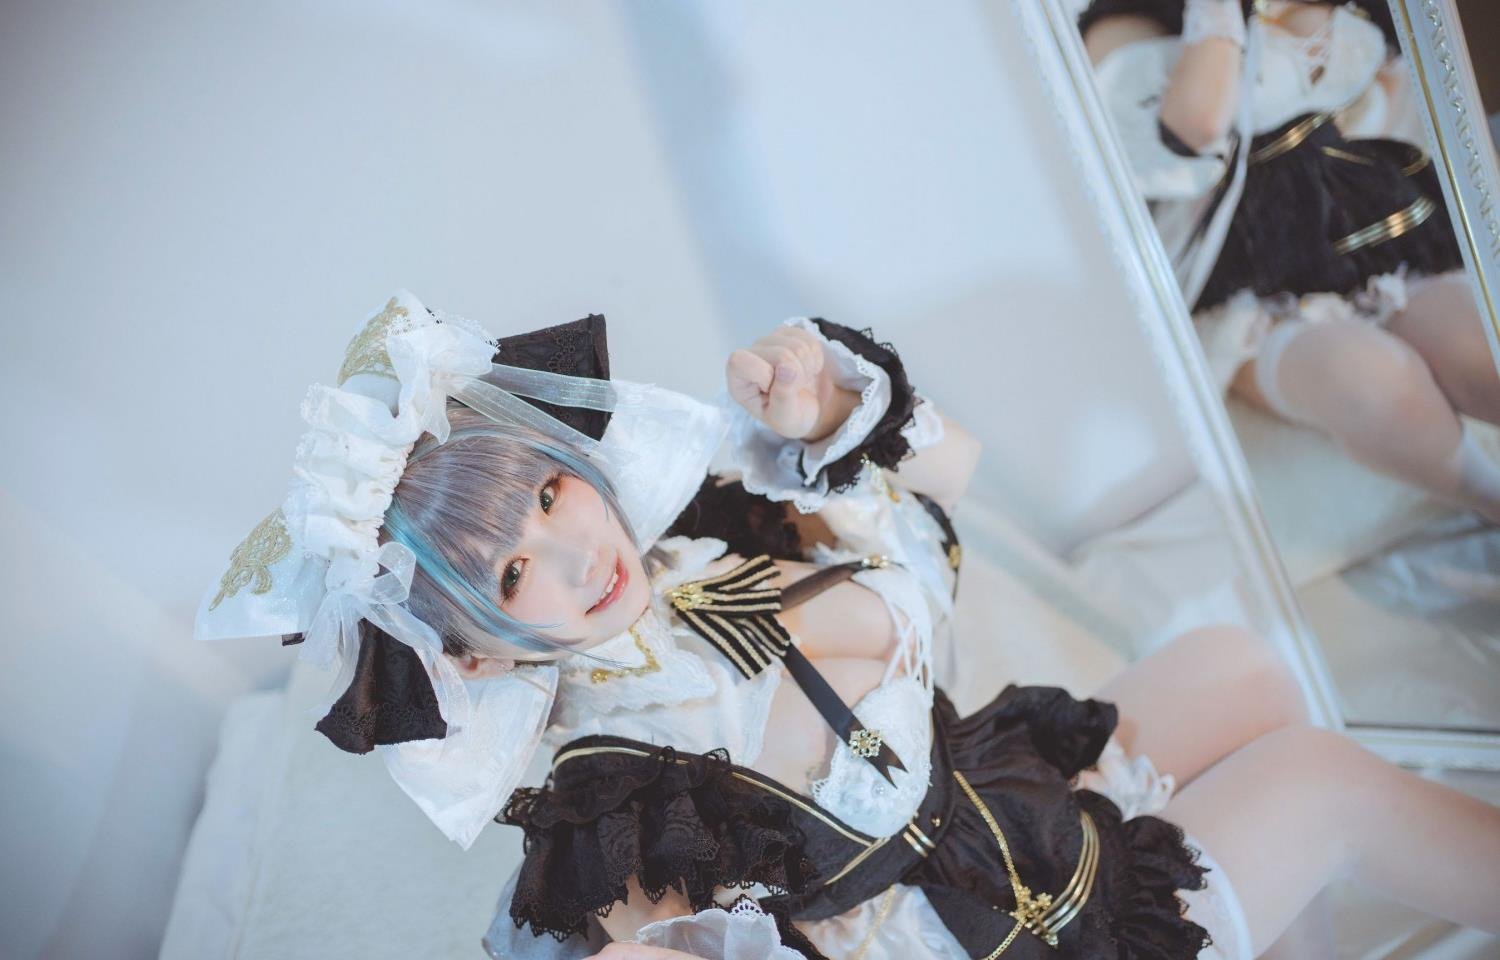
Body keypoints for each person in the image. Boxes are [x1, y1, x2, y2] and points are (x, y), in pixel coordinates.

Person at [196, 292, 1500, 960]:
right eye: (517, 570)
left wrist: (827, 408)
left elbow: (951, 482)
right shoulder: (613, 795)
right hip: (990, 929)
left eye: (547, 495)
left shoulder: (713, 536)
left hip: (995, 802)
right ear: (471, 651)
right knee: (1323, 782)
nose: (579, 552)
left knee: (1238, 665)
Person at [1080, 0, 1500, 523]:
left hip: (1366, 236)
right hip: (1245, 284)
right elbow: (1198, 127)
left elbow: (1390, 90)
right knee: (1383, 390)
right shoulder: (1120, 24)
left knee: (1482, 352)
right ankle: (1491, 502)